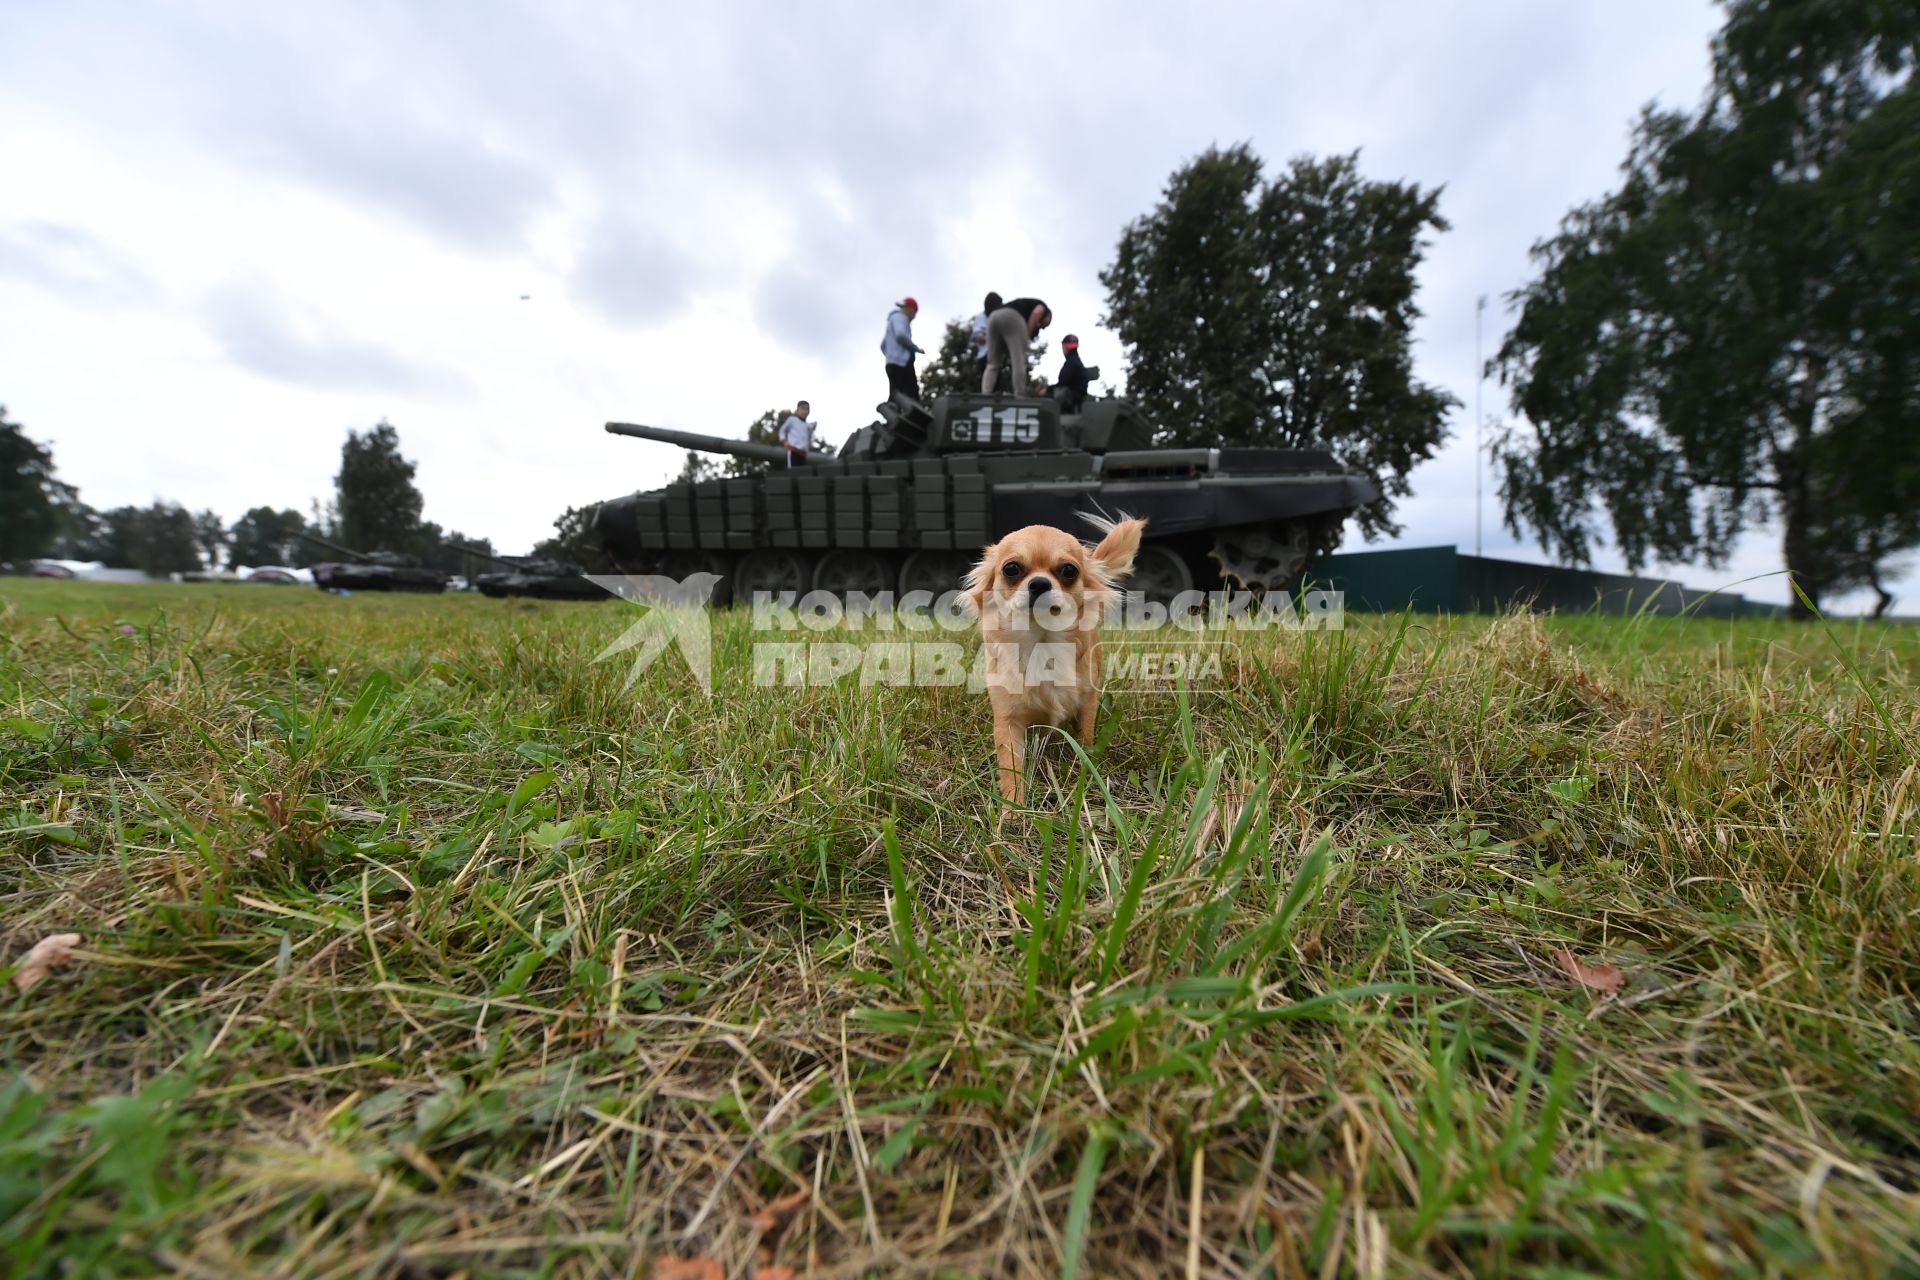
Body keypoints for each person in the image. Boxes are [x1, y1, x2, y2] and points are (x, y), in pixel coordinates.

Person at [981, 296, 1051, 396]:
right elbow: (1036, 312)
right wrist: (1027, 336)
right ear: (1049, 316)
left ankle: (985, 394)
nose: (1042, 327)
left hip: (993, 317)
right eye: (1045, 325)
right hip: (1012, 317)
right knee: (1018, 360)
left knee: (993, 363)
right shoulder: (1043, 308)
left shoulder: (1024, 305)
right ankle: (1020, 394)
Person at [881, 297, 923, 403]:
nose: (914, 316)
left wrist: (890, 357)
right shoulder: (901, 318)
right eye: (914, 312)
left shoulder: (892, 320)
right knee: (911, 393)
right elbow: (900, 335)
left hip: (891, 364)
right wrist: (915, 348)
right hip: (901, 364)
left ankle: (891, 411)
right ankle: (914, 415)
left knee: (896, 393)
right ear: (910, 309)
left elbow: (882, 345)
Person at [970, 291, 1003, 379]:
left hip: (997, 356)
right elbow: (979, 339)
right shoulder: (981, 318)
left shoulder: (996, 318)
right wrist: (995, 339)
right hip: (985, 356)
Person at [1055, 334, 1091, 412]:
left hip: (1071, 400)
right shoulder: (1076, 360)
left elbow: (1062, 382)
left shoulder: (1071, 362)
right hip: (1076, 398)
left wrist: (1046, 389)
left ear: (1065, 346)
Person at [778, 400, 813, 466]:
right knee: (793, 473)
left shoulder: (809, 426)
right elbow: (782, 431)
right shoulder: (791, 420)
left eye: (807, 409)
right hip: (793, 452)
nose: (805, 411)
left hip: (803, 454)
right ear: (797, 410)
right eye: (802, 408)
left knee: (803, 474)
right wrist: (784, 441)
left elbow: (809, 439)